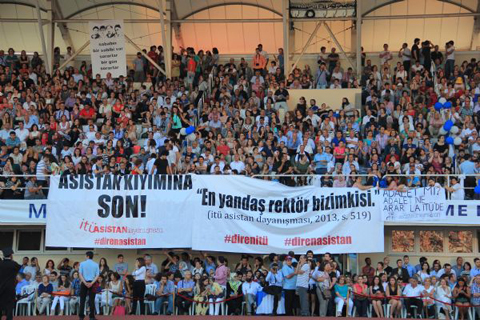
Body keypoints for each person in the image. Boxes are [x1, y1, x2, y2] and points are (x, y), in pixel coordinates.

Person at [0, 248, 21, 320]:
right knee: (10, 304)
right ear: (11, 255)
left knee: (0, 303)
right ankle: (9, 318)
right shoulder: (14, 264)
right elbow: (19, 269)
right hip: (10, 287)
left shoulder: (1, 264)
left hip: (1, 286)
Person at [78, 251, 100, 320]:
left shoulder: (82, 263)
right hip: (92, 283)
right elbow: (97, 275)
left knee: (82, 300)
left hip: (84, 283)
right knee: (91, 300)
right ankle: (91, 316)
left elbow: (80, 274)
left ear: (87, 256)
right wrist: (92, 283)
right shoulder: (96, 264)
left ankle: (81, 316)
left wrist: (84, 282)